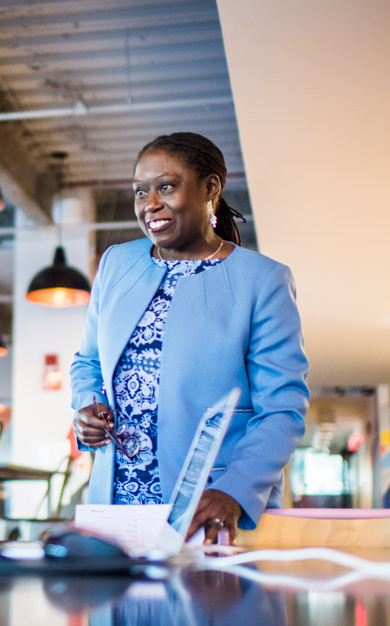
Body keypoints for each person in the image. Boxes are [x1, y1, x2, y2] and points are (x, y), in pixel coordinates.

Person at [70, 132, 309, 546]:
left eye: (167, 186)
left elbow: (282, 409)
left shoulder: (263, 281)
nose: (150, 204)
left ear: (210, 188)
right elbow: (87, 361)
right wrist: (87, 408)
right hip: (116, 501)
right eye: (140, 191)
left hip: (208, 505)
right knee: (116, 610)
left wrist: (234, 491)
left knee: (204, 610)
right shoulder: (116, 264)